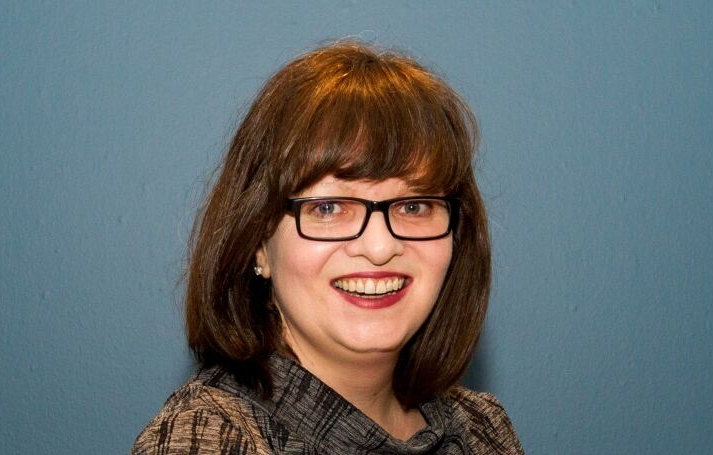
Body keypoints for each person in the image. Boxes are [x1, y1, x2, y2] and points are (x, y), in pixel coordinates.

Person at [133, 41, 523, 454]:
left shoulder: (482, 428)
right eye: (329, 207)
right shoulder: (212, 439)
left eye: (414, 205)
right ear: (257, 243)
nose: (378, 247)